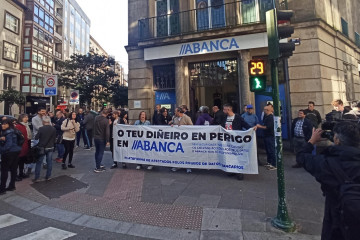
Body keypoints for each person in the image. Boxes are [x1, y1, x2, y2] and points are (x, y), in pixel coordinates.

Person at [296, 122, 360, 240]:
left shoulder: (327, 164)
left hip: (336, 219)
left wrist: (311, 141)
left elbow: (301, 156)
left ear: (337, 140)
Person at [222, 103, 251, 179]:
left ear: (228, 109)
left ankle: (239, 172)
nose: (223, 111)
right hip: (227, 140)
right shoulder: (224, 117)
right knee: (230, 156)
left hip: (236, 140)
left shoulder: (238, 117)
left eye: (224, 109)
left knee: (238, 156)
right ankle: (232, 170)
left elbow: (245, 125)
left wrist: (251, 129)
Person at [0, 118, 22, 195]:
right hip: (16, 151)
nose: (3, 125)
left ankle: (2, 188)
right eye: (2, 124)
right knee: (13, 169)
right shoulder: (14, 130)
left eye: (5, 124)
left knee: (4, 171)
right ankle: (12, 186)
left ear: (9, 124)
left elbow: (8, 146)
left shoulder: (8, 133)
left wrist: (1, 149)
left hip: (8, 153)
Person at [171, 107, 193, 173]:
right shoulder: (174, 118)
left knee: (186, 152)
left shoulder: (186, 118)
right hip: (178, 139)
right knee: (178, 153)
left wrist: (184, 127)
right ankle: (177, 166)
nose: (175, 112)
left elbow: (192, 126)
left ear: (179, 112)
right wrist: (173, 125)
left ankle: (188, 167)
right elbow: (174, 124)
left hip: (185, 139)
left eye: (175, 111)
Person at [33, 116, 56, 182]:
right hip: (50, 147)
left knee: (39, 162)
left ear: (43, 121)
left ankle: (37, 177)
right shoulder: (53, 129)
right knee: (49, 162)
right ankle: (48, 176)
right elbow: (54, 139)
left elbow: (36, 137)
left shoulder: (41, 129)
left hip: (42, 147)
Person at [256, 106, 276, 170]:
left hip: (270, 135)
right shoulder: (266, 116)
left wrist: (259, 126)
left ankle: (274, 164)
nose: (263, 111)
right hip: (266, 135)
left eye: (264, 109)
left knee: (271, 150)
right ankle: (269, 162)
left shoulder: (271, 118)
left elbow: (267, 127)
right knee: (268, 150)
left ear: (268, 110)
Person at [15, 116, 29, 181]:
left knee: (22, 161)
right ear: (21, 118)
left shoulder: (25, 126)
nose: (27, 118)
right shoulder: (18, 126)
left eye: (27, 117)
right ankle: (15, 175)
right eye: (25, 117)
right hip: (20, 146)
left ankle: (21, 173)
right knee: (17, 162)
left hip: (24, 146)